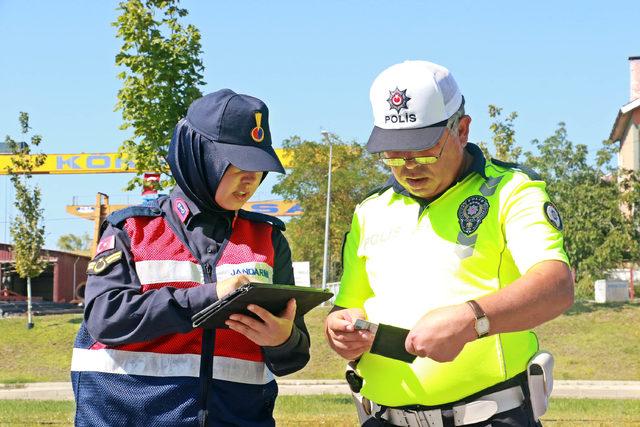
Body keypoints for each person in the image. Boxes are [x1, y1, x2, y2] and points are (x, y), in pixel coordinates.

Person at [325, 60, 574, 426]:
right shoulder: (370, 211)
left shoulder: (511, 191)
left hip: (489, 417)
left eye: (423, 150)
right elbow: (347, 306)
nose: (408, 165)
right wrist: (339, 330)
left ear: (461, 129)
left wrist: (472, 320)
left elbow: (556, 285)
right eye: (393, 154)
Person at [71, 89, 310, 426]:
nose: (251, 180)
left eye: (258, 167)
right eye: (238, 164)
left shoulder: (268, 239)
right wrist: (210, 298)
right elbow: (105, 317)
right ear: (200, 157)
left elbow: (294, 355)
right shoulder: (133, 230)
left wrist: (283, 340)